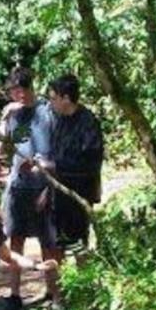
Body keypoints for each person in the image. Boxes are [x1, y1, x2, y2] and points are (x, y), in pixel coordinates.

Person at [0, 66, 59, 310]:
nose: (16, 95)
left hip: (43, 186)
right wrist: (4, 117)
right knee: (16, 240)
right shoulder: (14, 114)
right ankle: (14, 295)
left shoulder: (47, 112)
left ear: (28, 88)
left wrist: (50, 184)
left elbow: (57, 149)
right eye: (12, 92)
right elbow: (2, 148)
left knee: (48, 242)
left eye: (19, 90)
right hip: (18, 187)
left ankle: (53, 293)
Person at [46, 73, 104, 258]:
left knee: (79, 246)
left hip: (80, 194)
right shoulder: (59, 121)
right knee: (57, 244)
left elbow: (90, 162)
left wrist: (55, 165)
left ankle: (83, 285)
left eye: (54, 98)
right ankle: (58, 287)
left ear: (66, 98)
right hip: (59, 194)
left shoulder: (88, 122)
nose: (51, 103)